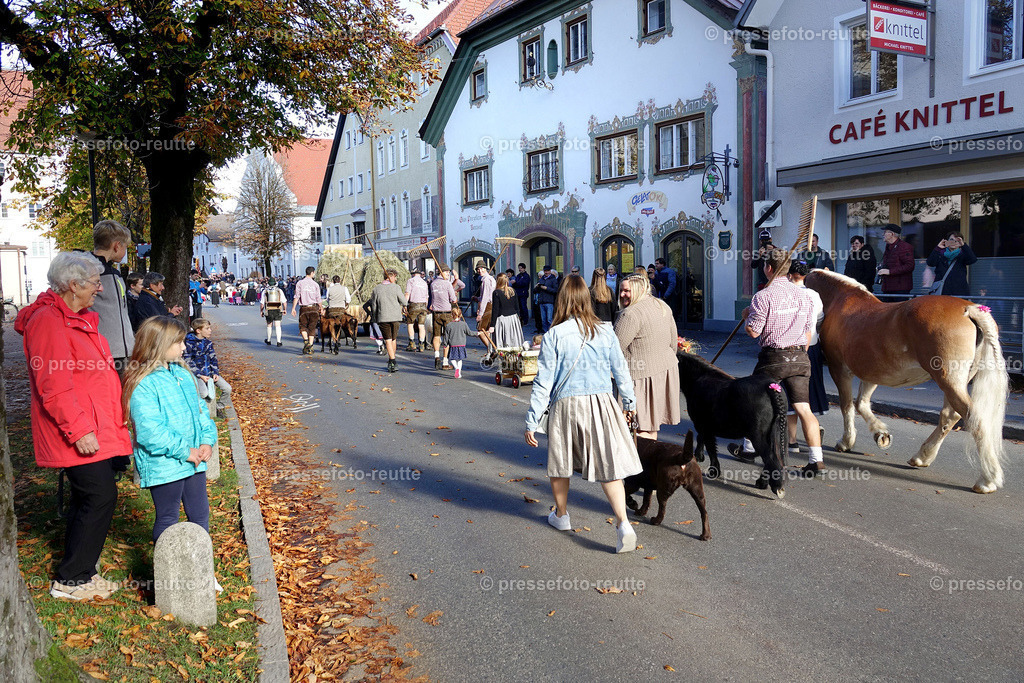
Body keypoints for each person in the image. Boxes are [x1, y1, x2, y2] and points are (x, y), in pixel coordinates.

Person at [16, 252, 133, 600]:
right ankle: (72, 579)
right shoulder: (49, 321)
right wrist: (78, 429)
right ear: (73, 285)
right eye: (95, 283)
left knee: (91, 496)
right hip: (76, 429)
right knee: (99, 495)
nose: (100, 288)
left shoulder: (75, 317)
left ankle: (80, 571)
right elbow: (52, 383)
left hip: (93, 424)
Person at [525, 274, 642, 554]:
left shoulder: (554, 335)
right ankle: (624, 523)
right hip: (602, 402)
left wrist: (532, 419)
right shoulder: (605, 330)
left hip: (567, 404)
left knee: (560, 462)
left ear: (562, 300)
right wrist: (629, 402)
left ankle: (562, 515)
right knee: (608, 464)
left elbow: (544, 382)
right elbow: (620, 370)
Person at [122, 317, 220, 591]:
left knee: (200, 515)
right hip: (165, 464)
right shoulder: (143, 382)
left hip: (195, 461)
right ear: (159, 345)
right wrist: (183, 450)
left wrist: (207, 441)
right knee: (167, 518)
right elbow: (150, 431)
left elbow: (201, 412)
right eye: (177, 342)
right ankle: (170, 575)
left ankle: (200, 569)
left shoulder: (182, 373)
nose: (182, 347)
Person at [742, 248, 823, 476]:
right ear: (787, 269)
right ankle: (816, 459)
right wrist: (800, 355)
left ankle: (749, 448)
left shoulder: (763, 296)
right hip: (799, 356)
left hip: (773, 358)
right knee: (804, 409)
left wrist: (746, 316)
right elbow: (808, 332)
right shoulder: (805, 295)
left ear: (768, 268)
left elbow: (753, 332)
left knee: (755, 403)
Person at [614, 274, 680, 440]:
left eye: (627, 291)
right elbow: (673, 343)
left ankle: (641, 464)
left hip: (640, 377)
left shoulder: (630, 314)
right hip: (664, 371)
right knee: (650, 426)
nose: (622, 295)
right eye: (621, 290)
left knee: (638, 427)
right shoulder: (661, 305)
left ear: (640, 290)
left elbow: (613, 350)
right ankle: (649, 462)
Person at [84, 220, 135, 375]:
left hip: (119, 347)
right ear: (117, 246)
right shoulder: (90, 271)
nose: (125, 251)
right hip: (107, 350)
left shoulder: (112, 272)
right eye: (125, 247)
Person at [786, 261, 827, 451]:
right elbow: (819, 318)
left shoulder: (786, 294)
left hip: (791, 349)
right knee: (807, 393)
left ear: (789, 274)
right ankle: (813, 439)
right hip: (811, 346)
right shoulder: (815, 295)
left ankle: (792, 441)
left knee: (791, 396)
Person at [367, 268, 408, 373]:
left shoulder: (376, 289)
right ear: (391, 276)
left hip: (383, 317)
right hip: (395, 317)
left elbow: (374, 305)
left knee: (388, 340)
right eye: (395, 276)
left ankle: (392, 360)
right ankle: (392, 359)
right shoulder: (396, 287)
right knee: (393, 339)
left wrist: (375, 317)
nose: (396, 278)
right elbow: (404, 301)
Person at [183, 318, 232, 404]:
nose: (210, 330)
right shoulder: (189, 343)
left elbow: (213, 359)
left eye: (210, 328)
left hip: (209, 373)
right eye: (207, 328)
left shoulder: (208, 343)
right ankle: (199, 409)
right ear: (198, 330)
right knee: (204, 393)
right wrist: (200, 375)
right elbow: (188, 361)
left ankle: (219, 407)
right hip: (198, 374)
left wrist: (215, 372)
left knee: (227, 388)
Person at [926, 231, 977, 296]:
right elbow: (930, 263)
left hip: (959, 292)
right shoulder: (940, 254)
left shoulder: (963, 255)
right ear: (947, 241)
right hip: (942, 291)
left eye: (957, 240)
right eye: (951, 240)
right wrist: (938, 248)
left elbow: (972, 260)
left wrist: (963, 245)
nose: (954, 242)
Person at [429, 266, 460, 370]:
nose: (448, 274)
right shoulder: (447, 284)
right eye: (447, 272)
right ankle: (445, 362)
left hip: (436, 313)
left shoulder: (433, 283)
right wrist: (454, 299)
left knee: (436, 335)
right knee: (447, 337)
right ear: (441, 272)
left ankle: (437, 357)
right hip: (446, 313)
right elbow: (453, 299)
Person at [878, 223, 915, 301]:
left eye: (885, 232)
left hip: (900, 290)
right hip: (888, 288)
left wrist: (889, 271)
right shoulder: (888, 246)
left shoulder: (904, 247)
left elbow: (910, 266)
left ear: (892, 234)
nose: (882, 234)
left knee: (900, 313)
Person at [290, 266, 323, 355]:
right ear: (312, 273)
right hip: (313, 308)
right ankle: (311, 346)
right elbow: (318, 298)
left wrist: (293, 308)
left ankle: (306, 341)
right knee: (312, 327)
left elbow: (296, 297)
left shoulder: (300, 283)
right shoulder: (315, 284)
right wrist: (321, 308)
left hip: (304, 308)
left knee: (303, 326)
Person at [489, 273, 525, 350]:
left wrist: (492, 325)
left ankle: (504, 356)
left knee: (503, 340)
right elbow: (517, 306)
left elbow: (495, 310)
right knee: (513, 340)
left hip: (502, 319)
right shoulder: (512, 291)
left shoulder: (496, 292)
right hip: (513, 319)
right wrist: (518, 318)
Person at [444, 306, 478, 379]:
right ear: (460, 315)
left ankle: (456, 368)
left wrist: (445, 344)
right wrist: (477, 333)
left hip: (453, 345)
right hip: (461, 345)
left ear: (452, 315)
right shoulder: (463, 324)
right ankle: (458, 372)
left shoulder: (449, 325)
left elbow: (446, 337)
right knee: (459, 359)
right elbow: (469, 333)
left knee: (452, 359)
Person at [404, 268, 429, 351]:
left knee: (410, 323)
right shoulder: (424, 282)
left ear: (413, 274)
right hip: (423, 305)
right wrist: (426, 306)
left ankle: (412, 343)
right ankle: (421, 344)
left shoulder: (411, 281)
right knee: (421, 325)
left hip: (414, 304)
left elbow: (407, 293)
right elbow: (426, 297)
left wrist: (404, 304)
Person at [475, 264, 497, 356]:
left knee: (480, 330)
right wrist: (477, 298)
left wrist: (480, 313)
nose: (479, 271)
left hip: (488, 306)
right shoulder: (488, 279)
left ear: (485, 269)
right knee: (487, 330)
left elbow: (485, 298)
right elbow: (483, 297)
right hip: (490, 305)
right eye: (478, 269)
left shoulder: (487, 280)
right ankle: (489, 351)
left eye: (481, 269)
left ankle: (491, 350)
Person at [261, 277, 286, 346]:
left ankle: (268, 340)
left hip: (269, 309)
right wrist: (284, 309)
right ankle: (279, 342)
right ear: (275, 283)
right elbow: (284, 301)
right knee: (278, 325)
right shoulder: (279, 290)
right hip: (278, 309)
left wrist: (261, 311)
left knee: (269, 325)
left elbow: (262, 303)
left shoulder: (265, 291)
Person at [535, 264, 558, 332]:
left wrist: (546, 288)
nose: (546, 272)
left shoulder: (553, 279)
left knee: (549, 319)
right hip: (542, 301)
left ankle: (550, 333)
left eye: (547, 271)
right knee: (543, 320)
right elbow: (535, 291)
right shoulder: (541, 279)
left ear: (550, 271)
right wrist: (537, 287)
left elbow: (556, 290)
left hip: (549, 301)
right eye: (545, 271)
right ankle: (545, 332)